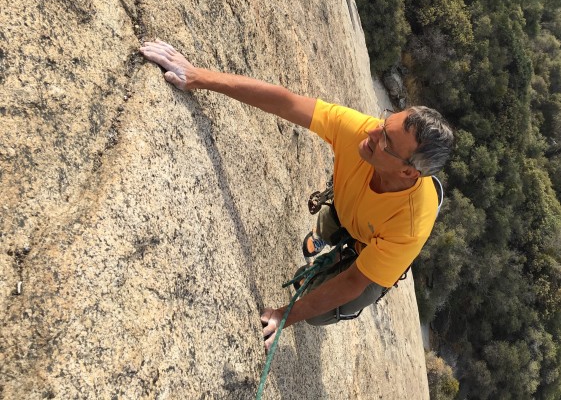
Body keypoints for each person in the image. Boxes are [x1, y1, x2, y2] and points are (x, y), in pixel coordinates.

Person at [139, 39, 454, 351]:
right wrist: (197, 76)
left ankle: (348, 252)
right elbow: (287, 102)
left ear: (408, 172)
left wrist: (282, 315)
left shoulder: (408, 225)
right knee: (331, 224)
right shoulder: (363, 131)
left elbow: (353, 282)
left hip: (379, 239)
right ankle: (327, 240)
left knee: (322, 312)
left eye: (386, 140)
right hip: (351, 210)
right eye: (385, 122)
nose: (372, 132)